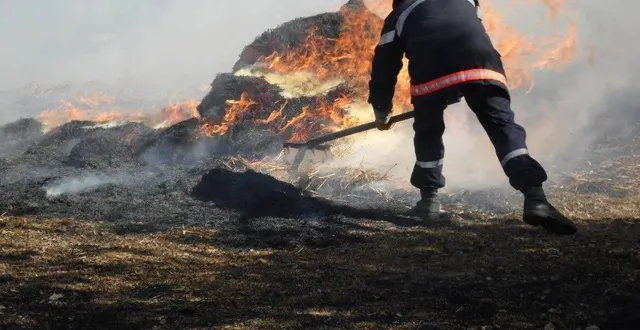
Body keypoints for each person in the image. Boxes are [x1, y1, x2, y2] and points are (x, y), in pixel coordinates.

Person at [367, 0, 577, 235]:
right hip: (482, 63)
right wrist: (460, 83)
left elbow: (384, 66)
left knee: (428, 131)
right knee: (503, 126)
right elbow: (465, 31)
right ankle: (535, 197)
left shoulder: (400, 15)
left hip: (430, 72)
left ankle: (428, 201)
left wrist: (382, 111)